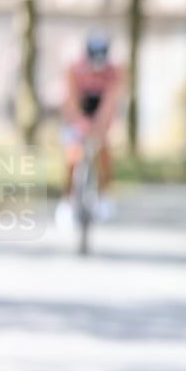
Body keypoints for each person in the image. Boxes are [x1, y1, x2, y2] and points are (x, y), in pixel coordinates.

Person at [55, 33, 123, 228]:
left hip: (101, 116)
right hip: (77, 115)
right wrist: (79, 124)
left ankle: (104, 195)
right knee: (72, 154)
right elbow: (70, 100)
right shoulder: (74, 70)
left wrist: (100, 127)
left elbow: (110, 102)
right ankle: (66, 201)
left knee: (104, 151)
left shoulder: (114, 72)